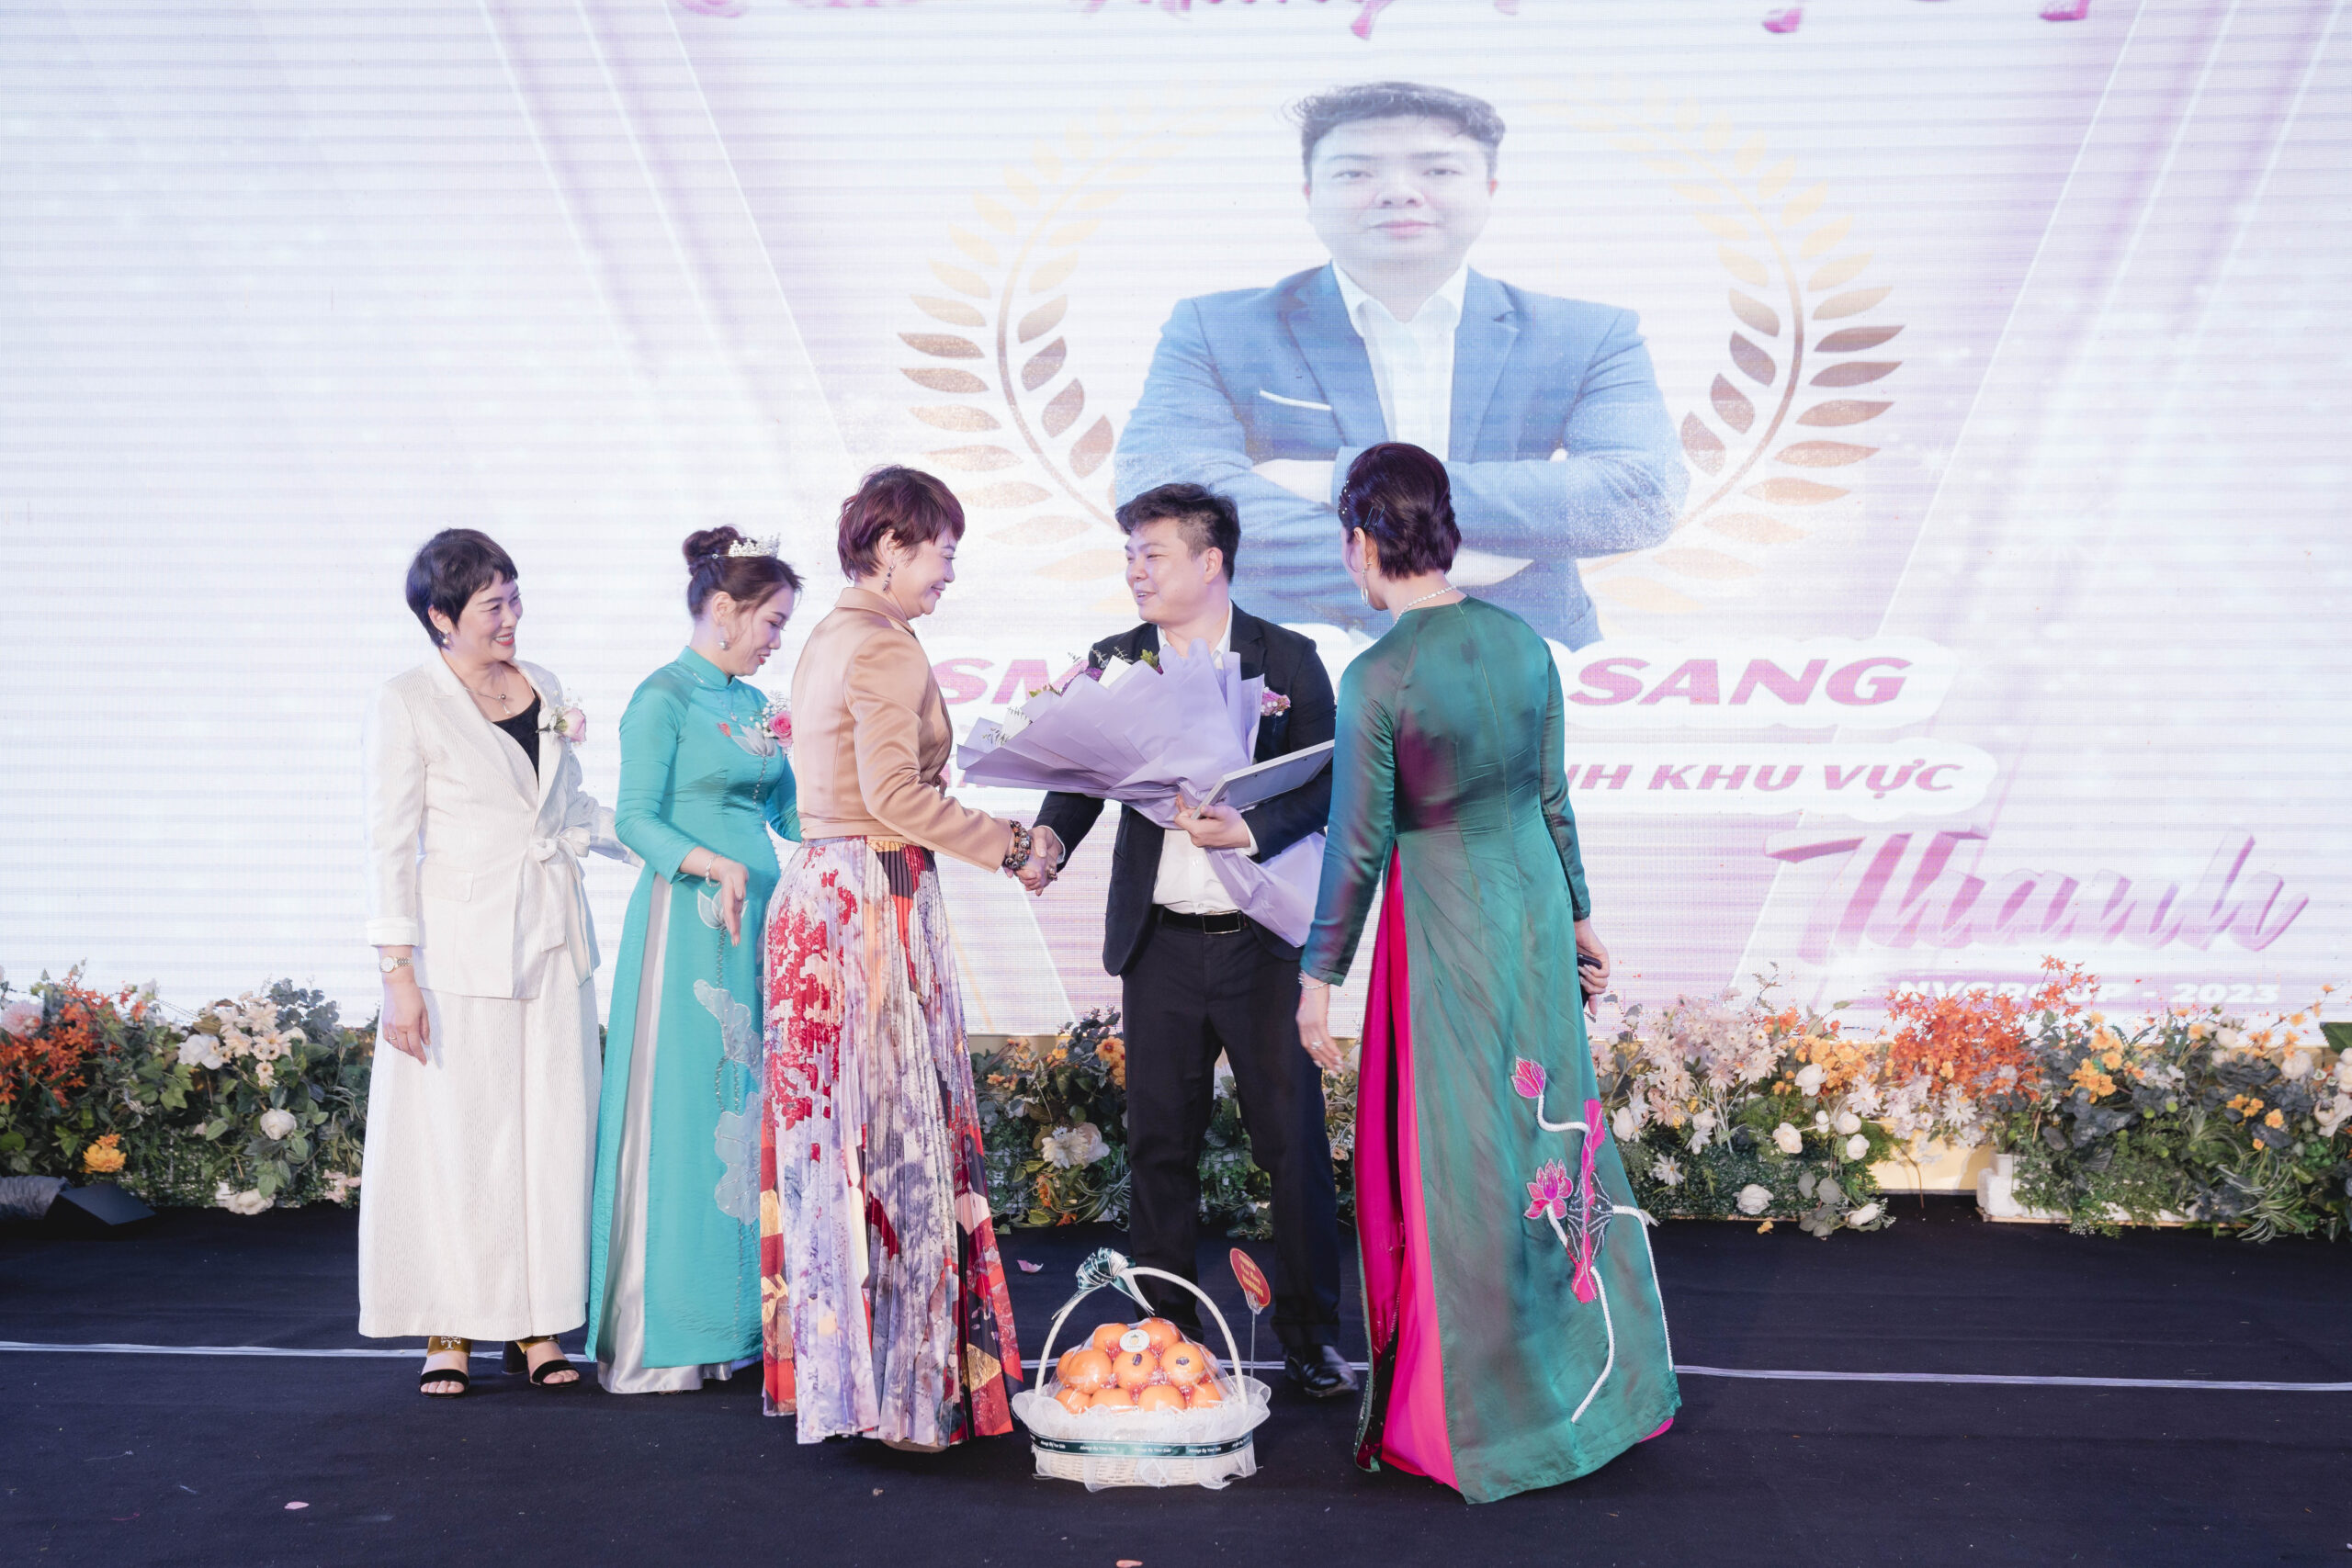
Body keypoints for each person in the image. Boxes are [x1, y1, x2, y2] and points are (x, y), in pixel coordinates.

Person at [1295, 444, 1679, 1503]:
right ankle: (1595, 1385)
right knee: (1546, 1134)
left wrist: (1317, 975)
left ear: (1361, 541)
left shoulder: (1379, 675)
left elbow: (1357, 846)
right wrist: (1581, 914)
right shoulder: (1521, 643)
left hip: (1449, 920)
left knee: (1463, 1160)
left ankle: (1487, 1417)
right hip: (1531, 910)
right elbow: (1552, 797)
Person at [1115, 81, 1687, 647]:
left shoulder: (1588, 335)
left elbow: (1641, 496)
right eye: (1355, 173)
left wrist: (1342, 477)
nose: (1399, 192)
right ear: (1310, 194)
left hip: (1526, 655)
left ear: (1489, 189)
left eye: (1438, 170)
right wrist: (1425, 569)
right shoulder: (1215, 328)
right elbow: (1166, 503)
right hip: (1285, 661)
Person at [1034, 482, 1354, 1399]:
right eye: (1129, 555)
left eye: (1154, 553)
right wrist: (1052, 836)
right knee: (1158, 1147)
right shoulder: (1117, 657)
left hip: (1262, 944)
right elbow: (1081, 775)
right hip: (1161, 942)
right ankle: (1164, 1338)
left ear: (1210, 561)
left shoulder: (1287, 657)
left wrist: (1250, 829)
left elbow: (1329, 782)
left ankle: (1309, 1337)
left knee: (1291, 1144)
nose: (1136, 571)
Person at [760, 467, 1046, 1449]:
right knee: (900, 1147)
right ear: (889, 547)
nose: (949, 574)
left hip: (822, 891)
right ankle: (908, 1400)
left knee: (841, 1148)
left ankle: (853, 1388)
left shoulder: (831, 635)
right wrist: (1011, 844)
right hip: (868, 903)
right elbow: (893, 795)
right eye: (942, 553)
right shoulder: (881, 644)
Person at [362, 528, 631, 1397]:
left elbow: (571, 810)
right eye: (492, 605)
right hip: (459, 953)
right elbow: (390, 843)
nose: (512, 617)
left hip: (553, 942)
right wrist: (397, 973)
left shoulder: (541, 683)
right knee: (463, 1136)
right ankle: (450, 1322)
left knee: (551, 1135)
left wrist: (661, 845)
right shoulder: (408, 701)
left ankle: (536, 1321)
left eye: (514, 598)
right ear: (442, 617)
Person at [584, 526, 803, 1394]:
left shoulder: (754, 704)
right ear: (723, 609)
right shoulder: (662, 696)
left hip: (759, 925)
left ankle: (736, 1326)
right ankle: (665, 1333)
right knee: (686, 1112)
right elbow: (634, 818)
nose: (777, 638)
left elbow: (791, 813)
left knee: (746, 1114)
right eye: (772, 621)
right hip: (689, 920)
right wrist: (711, 863)